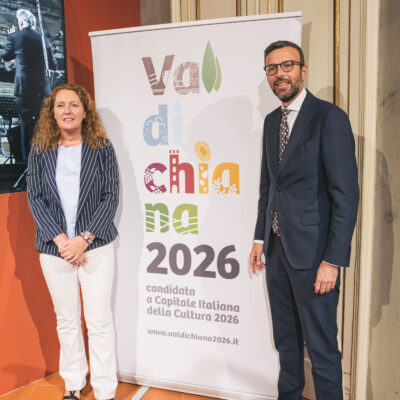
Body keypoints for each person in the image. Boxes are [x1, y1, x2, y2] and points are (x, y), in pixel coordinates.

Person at [249, 41, 359, 400]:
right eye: (272, 68)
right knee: (286, 342)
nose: (279, 74)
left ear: (303, 70)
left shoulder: (329, 118)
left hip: (314, 258)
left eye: (287, 65)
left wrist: (332, 260)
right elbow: (269, 186)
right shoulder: (271, 122)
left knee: (322, 348)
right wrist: (260, 239)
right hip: (277, 252)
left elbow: (346, 196)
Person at [27, 83, 119, 400]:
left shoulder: (101, 147)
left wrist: (84, 239)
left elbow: (111, 196)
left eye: (74, 105)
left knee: (99, 321)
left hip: (97, 246)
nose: (67, 111)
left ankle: (105, 390)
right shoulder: (40, 150)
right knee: (66, 320)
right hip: (55, 250)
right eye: (60, 105)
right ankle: (73, 385)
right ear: (52, 113)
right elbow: (35, 198)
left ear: (85, 112)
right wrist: (63, 241)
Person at [1, 8, 56, 161]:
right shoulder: (43, 39)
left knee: (26, 127)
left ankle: (27, 164)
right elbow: (53, 64)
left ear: (21, 23)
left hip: (24, 90)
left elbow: (5, 56)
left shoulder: (15, 37)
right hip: (42, 89)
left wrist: (11, 37)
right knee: (41, 125)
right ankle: (43, 161)